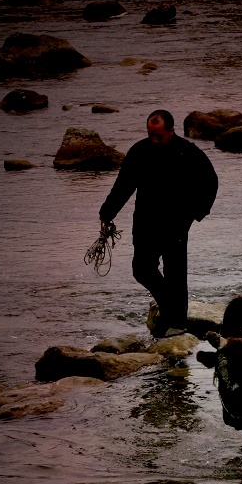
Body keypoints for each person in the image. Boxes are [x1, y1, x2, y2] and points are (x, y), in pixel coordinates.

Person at [99, 109, 218, 337]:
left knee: (175, 273)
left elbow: (210, 181)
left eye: (159, 136)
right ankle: (170, 310)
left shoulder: (187, 152)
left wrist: (196, 213)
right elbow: (124, 185)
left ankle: (177, 323)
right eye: (151, 135)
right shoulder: (139, 151)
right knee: (142, 270)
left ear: (171, 131)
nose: (154, 140)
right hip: (145, 221)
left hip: (177, 223)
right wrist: (107, 212)